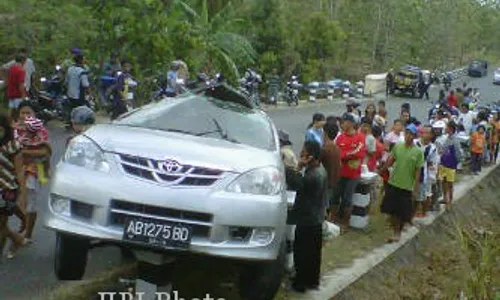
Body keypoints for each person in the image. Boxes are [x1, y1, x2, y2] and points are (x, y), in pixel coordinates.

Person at [286, 141, 327, 293]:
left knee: (301, 252)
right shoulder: (319, 169)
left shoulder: (313, 176)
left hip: (307, 219)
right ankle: (312, 281)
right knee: (313, 254)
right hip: (316, 218)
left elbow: (296, 184)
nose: (300, 154)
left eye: (303, 152)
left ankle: (300, 283)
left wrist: (298, 167)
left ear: (310, 156)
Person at [379, 124, 424, 243]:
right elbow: (390, 161)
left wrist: (415, 188)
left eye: (410, 134)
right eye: (406, 133)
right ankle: (396, 231)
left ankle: (398, 232)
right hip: (394, 182)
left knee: (402, 212)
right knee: (392, 210)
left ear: (414, 136)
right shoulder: (398, 147)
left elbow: (418, 172)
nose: (408, 136)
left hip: (406, 186)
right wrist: (381, 171)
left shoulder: (418, 152)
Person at [14, 104, 52, 244]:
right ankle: (23, 222)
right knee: (10, 201)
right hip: (13, 170)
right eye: (22, 113)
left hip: (33, 172)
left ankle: (27, 235)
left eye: (28, 113)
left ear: (35, 115)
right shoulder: (13, 130)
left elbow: (45, 152)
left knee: (30, 205)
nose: (25, 116)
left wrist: (22, 152)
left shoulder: (41, 132)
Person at [0, 113, 27, 259]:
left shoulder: (13, 145)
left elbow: (20, 171)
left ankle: (16, 239)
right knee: (2, 225)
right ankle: (17, 239)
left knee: (1, 224)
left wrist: (23, 195)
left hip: (7, 189)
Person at [332, 113, 366, 229]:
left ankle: (345, 223)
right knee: (335, 197)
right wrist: (346, 155)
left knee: (347, 199)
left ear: (351, 123)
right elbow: (336, 153)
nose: (342, 124)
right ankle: (333, 219)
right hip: (340, 173)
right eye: (341, 122)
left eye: (344, 122)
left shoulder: (360, 137)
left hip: (352, 175)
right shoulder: (340, 137)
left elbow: (359, 153)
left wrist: (344, 156)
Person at [321, 117, 341, 221]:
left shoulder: (325, 149)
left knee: (323, 206)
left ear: (325, 133)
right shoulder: (336, 147)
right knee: (329, 204)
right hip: (334, 181)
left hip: (326, 183)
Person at [438, 122, 462, 209]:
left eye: (446, 127)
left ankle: (450, 201)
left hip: (451, 165)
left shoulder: (455, 140)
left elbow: (458, 154)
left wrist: (457, 164)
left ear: (450, 129)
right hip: (444, 164)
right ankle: (445, 198)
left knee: (450, 184)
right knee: (443, 182)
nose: (445, 129)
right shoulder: (447, 138)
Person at [415, 125, 438, 217]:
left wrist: (432, 175)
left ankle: (424, 212)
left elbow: (433, 163)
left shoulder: (432, 148)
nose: (424, 134)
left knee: (426, 194)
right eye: (423, 132)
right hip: (413, 171)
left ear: (431, 135)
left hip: (425, 173)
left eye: (427, 132)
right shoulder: (415, 143)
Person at [65, 54, 90, 124]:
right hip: (79, 94)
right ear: (81, 60)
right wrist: (89, 93)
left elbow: (66, 82)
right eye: (83, 59)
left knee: (72, 108)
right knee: (80, 109)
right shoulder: (82, 71)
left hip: (70, 94)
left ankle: (70, 121)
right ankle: (78, 123)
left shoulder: (69, 69)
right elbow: (85, 84)